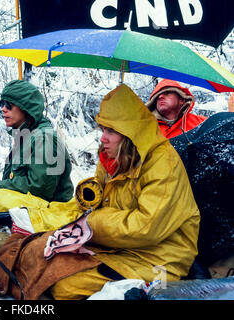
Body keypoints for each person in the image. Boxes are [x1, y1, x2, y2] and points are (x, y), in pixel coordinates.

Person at [50, 84, 200, 300]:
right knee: (48, 263)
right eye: (102, 130)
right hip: (119, 246)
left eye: (111, 131)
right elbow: (101, 205)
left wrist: (90, 225)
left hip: (160, 258)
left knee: (64, 287)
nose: (103, 138)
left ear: (130, 133)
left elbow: (146, 227)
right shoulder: (112, 157)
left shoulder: (163, 163)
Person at [0, 80, 74, 203]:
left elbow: (38, 190)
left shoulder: (44, 138)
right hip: (28, 216)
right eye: (2, 103)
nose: (3, 109)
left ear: (26, 107)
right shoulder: (26, 137)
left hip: (48, 218)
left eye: (9, 104)